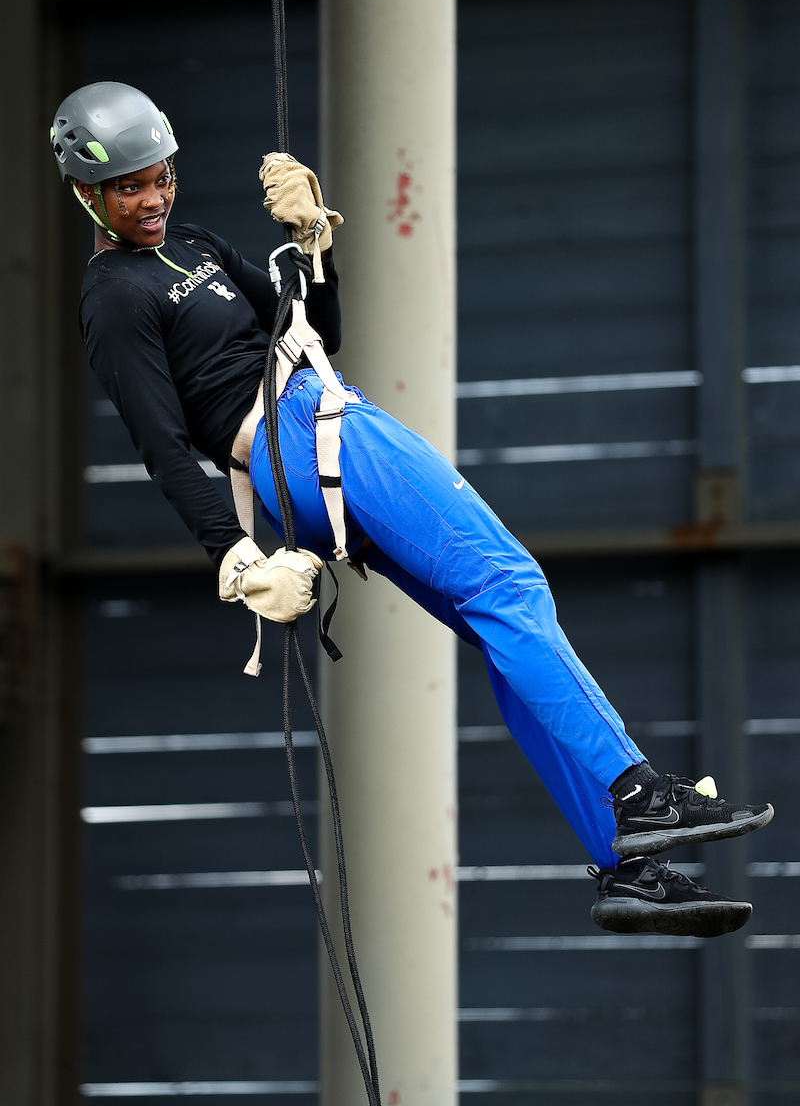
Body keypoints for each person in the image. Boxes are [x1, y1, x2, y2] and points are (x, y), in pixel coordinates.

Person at [52, 81, 773, 938]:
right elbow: (162, 446)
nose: (152, 197)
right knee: (510, 585)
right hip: (307, 440)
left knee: (496, 622)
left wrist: (313, 241)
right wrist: (234, 558)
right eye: (129, 186)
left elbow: (320, 324)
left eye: (161, 176)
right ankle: (639, 795)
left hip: (316, 426)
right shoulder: (114, 297)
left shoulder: (197, 243)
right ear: (87, 193)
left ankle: (632, 870)